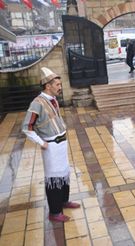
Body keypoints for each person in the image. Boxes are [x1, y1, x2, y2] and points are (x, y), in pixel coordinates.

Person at [22, 67, 80, 222]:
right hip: (51, 146)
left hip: (61, 143)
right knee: (53, 178)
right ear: (48, 86)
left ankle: (63, 201)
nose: (60, 87)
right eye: (57, 85)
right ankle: (54, 212)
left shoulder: (53, 100)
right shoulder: (37, 103)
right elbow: (26, 127)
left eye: (60, 84)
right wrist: (41, 142)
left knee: (64, 173)